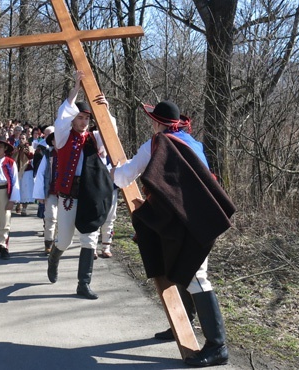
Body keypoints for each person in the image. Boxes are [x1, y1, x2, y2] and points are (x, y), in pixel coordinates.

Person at [111, 100, 236, 367]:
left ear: (158, 122)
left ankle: (217, 346)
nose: (151, 124)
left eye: (153, 119)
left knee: (196, 276)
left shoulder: (156, 144)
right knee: (179, 266)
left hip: (185, 221)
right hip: (199, 216)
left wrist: (113, 168)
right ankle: (184, 324)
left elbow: (123, 178)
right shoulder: (193, 143)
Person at [46, 70, 116, 300]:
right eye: (80, 117)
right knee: (65, 239)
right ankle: (55, 256)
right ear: (73, 119)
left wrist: (104, 110)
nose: (84, 122)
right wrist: (75, 90)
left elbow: (110, 133)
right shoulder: (64, 136)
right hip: (69, 196)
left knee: (89, 239)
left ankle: (83, 284)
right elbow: (61, 118)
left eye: (87, 118)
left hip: (90, 196)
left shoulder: (95, 138)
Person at [33, 129, 57, 255]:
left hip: (67, 192)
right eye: (55, 139)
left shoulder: (69, 153)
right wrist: (40, 194)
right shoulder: (48, 155)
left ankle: (59, 244)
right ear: (52, 141)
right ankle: (49, 242)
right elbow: (41, 174)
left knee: (63, 220)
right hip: (51, 191)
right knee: (50, 217)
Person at [14, 132, 35, 216]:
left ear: (26, 139)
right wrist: (15, 152)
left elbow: (31, 156)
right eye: (20, 139)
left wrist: (26, 152)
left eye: (23, 138)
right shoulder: (17, 148)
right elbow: (13, 158)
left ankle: (24, 208)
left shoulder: (29, 147)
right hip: (18, 170)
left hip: (27, 170)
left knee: (25, 189)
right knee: (18, 188)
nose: (21, 140)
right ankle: (18, 204)